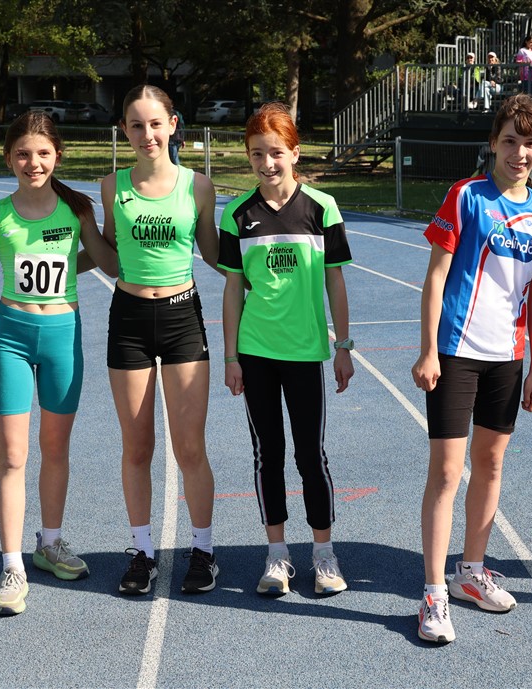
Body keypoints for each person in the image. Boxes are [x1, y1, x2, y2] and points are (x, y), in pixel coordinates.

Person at [412, 94, 532, 644]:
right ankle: (433, 594)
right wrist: (429, 350)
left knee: (491, 465)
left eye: (530, 143)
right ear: (493, 143)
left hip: (508, 358)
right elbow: (435, 276)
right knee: (447, 473)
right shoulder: (466, 196)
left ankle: (470, 570)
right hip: (456, 352)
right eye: (510, 141)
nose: (520, 153)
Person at [0, 111, 117, 615]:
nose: (34, 163)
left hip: (62, 337)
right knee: (12, 455)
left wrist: (121, 223)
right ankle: (12, 565)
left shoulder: (76, 210)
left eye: (44, 154)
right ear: (8, 158)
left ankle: (49, 543)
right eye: (24, 154)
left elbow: (109, 262)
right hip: (11, 336)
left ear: (58, 157)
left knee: (55, 448)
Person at [219, 102, 354, 596]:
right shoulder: (237, 215)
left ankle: (324, 555)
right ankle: (276, 555)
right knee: (267, 454)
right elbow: (233, 290)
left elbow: (335, 282)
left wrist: (344, 346)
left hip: (305, 352)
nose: (267, 162)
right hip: (255, 352)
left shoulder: (322, 208)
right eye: (257, 153)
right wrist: (231, 357)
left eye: (276, 152)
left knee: (310, 455)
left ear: (295, 153)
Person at [100, 84, 221, 596]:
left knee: (190, 447)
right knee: (137, 447)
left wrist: (271, 279)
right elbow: (109, 255)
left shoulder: (198, 187)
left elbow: (215, 254)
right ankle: (143, 552)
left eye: (155, 123)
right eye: (136, 125)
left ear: (173, 125)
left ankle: (203, 551)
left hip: (181, 319)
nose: (146, 134)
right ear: (124, 131)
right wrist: (52, 255)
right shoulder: (111, 186)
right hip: (128, 319)